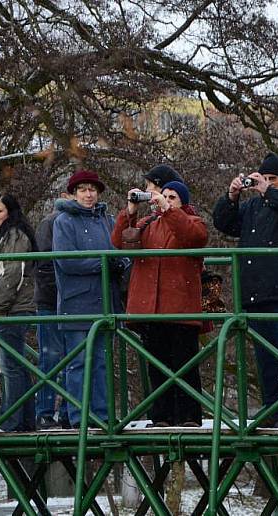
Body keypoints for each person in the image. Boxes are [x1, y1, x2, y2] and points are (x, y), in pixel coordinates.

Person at [212, 152, 278, 428]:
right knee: (266, 358)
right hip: (255, 293)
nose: (266, 183)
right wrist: (232, 196)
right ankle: (273, 408)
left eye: (273, 179)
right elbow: (223, 223)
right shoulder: (250, 208)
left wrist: (268, 191)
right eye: (264, 178)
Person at [112, 181, 208, 426]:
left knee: (184, 365)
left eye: (172, 197)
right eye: (163, 196)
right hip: (150, 308)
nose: (165, 199)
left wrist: (169, 210)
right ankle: (161, 416)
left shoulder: (193, 221)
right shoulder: (146, 224)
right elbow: (118, 243)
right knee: (157, 366)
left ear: (182, 202)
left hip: (181, 308)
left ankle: (189, 417)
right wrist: (130, 212)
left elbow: (193, 237)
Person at [53, 169, 124, 428]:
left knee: (103, 363)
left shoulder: (108, 220)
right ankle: (78, 417)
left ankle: (102, 416)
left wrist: (120, 262)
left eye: (92, 189)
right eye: (82, 189)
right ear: (73, 194)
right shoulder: (63, 221)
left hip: (106, 300)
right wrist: (105, 263)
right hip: (77, 303)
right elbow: (67, 261)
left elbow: (120, 253)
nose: (88, 194)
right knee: (79, 363)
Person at [0, 193, 37, 432]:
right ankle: (24, 420)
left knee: (11, 366)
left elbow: (13, 272)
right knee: (17, 364)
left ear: (9, 213)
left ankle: (11, 420)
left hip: (11, 309)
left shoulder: (13, 236)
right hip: (9, 307)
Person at [33, 193, 73, 429]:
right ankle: (45, 412)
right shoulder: (50, 223)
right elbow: (43, 264)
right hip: (52, 301)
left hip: (73, 302)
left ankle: (67, 411)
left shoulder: (80, 223)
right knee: (51, 358)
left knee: (71, 359)